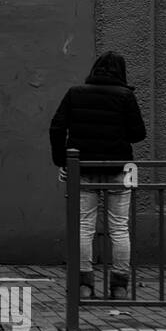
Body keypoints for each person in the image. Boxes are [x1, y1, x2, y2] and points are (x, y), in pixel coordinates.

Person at [49, 52, 147, 299]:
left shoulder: (75, 93)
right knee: (119, 229)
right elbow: (138, 134)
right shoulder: (126, 96)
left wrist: (62, 161)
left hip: (83, 169)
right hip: (118, 169)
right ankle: (120, 286)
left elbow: (57, 127)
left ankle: (84, 285)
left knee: (84, 228)